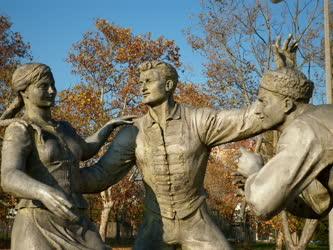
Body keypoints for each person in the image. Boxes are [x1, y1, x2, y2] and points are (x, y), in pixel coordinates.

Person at [77, 60, 266, 250]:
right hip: (155, 227)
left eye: (149, 81)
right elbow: (100, 176)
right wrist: (57, 175)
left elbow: (247, 119)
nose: (142, 88)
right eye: (140, 82)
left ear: (168, 85)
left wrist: (280, 79)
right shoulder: (133, 132)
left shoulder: (198, 120)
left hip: (196, 222)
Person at [0, 63, 133, 250]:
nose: (52, 90)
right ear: (24, 92)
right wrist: (43, 193)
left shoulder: (65, 128)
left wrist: (108, 127)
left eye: (53, 85)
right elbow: (9, 176)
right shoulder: (20, 129)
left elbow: (86, 150)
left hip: (76, 219)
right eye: (43, 86)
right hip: (38, 220)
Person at [236, 36, 333, 220]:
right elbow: (317, 204)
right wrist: (263, 177)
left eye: (263, 101)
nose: (257, 110)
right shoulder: (319, 118)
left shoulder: (304, 130)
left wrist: (254, 172)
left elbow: (261, 205)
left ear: (287, 104)